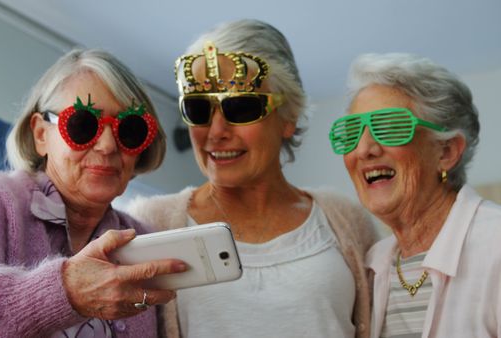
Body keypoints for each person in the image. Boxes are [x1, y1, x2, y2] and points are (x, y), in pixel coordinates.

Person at [0, 48, 187, 337]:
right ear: (41, 134)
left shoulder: (142, 237)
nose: (108, 146)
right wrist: (64, 292)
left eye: (130, 130)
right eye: (83, 125)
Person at [127, 19, 377, 338]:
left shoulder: (346, 221)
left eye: (241, 108)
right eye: (199, 109)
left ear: (288, 118)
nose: (216, 132)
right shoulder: (150, 223)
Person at [329, 52, 501, 337]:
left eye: (390, 127)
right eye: (351, 132)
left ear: (447, 151)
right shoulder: (373, 265)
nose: (364, 149)